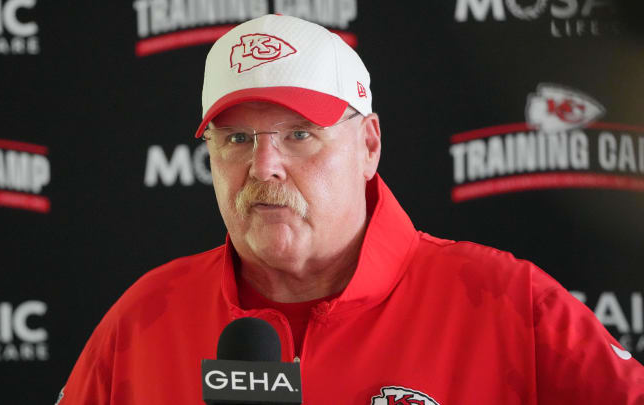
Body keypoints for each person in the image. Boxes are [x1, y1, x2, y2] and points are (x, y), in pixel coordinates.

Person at [57, 14, 644, 404]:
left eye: (299, 134)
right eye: (236, 140)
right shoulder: (142, 323)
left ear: (368, 145)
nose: (264, 168)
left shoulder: (511, 304)